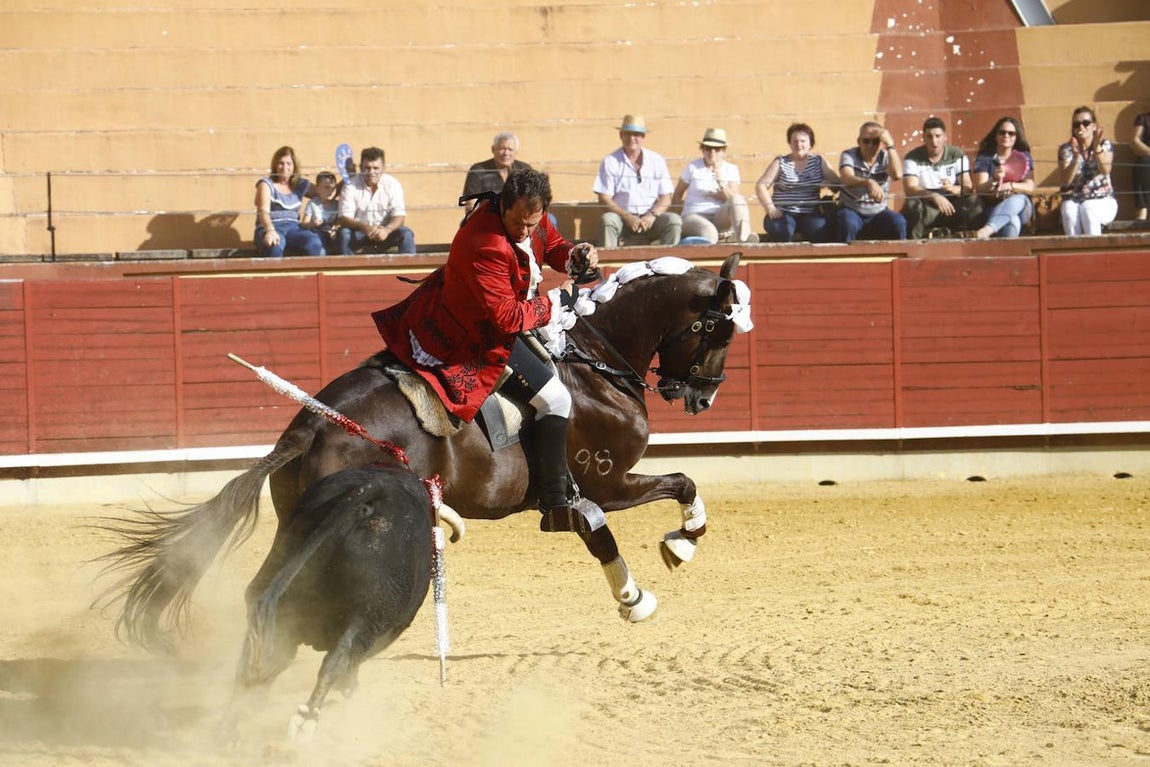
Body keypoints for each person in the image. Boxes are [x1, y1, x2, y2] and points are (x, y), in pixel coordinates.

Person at [372, 168, 599, 530]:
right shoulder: (487, 243)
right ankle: (556, 500)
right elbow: (507, 318)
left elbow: (551, 244)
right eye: (519, 223)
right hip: (475, 332)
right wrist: (557, 302)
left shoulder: (528, 217)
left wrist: (576, 255)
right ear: (503, 205)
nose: (525, 231)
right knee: (556, 399)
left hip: (496, 314)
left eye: (532, 223)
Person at [592, 114, 681, 248]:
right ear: (621, 135)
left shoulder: (656, 160)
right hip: (622, 218)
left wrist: (652, 215)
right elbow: (604, 198)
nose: (632, 139)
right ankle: (608, 263)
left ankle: (668, 265)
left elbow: (666, 197)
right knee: (608, 220)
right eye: (628, 134)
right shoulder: (610, 161)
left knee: (673, 221)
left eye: (637, 135)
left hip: (651, 219)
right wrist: (626, 216)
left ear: (643, 137)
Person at [754, 122, 838, 243]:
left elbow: (837, 183)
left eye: (803, 141)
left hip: (811, 213)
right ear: (790, 143)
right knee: (780, 230)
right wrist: (770, 208)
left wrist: (827, 182)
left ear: (810, 143)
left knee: (823, 230)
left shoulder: (819, 161)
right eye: (795, 141)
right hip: (783, 213)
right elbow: (761, 186)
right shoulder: (781, 161)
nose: (799, 144)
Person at [671, 128, 757, 244]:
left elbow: (734, 199)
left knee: (738, 200)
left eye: (717, 149)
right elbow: (677, 194)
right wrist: (678, 221)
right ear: (702, 149)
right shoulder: (692, 167)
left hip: (719, 217)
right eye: (708, 148)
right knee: (709, 231)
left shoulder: (730, 169)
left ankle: (744, 240)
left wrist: (722, 184)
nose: (712, 152)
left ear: (723, 151)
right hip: (694, 215)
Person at [902, 117, 984, 239]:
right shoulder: (912, 157)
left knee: (975, 201)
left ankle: (972, 243)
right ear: (923, 138)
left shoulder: (958, 155)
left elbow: (968, 187)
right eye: (929, 136)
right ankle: (915, 245)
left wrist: (953, 189)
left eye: (938, 136)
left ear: (944, 136)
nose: (934, 141)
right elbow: (910, 188)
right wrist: (933, 196)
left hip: (953, 206)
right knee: (911, 204)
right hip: (927, 207)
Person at [835, 121, 906, 243]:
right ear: (859, 142)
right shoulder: (849, 155)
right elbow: (846, 177)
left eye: (875, 141)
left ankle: (899, 259)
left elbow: (897, 175)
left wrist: (890, 145)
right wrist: (869, 182)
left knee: (899, 222)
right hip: (853, 209)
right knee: (847, 223)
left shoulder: (885, 156)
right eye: (866, 141)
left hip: (879, 211)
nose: (870, 146)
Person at [337, 146, 416, 254]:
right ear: (360, 167)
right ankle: (347, 269)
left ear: (384, 168)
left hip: (385, 233)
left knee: (406, 234)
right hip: (360, 233)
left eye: (375, 168)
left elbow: (400, 217)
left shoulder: (393, 184)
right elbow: (344, 218)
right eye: (367, 168)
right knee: (344, 234)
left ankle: (409, 270)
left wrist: (387, 230)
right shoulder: (350, 186)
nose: (371, 172)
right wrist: (366, 228)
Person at [253, 146, 325, 258]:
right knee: (274, 247)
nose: (284, 167)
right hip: (271, 227)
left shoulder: (300, 184)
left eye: (289, 163)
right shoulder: (266, 184)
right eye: (281, 163)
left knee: (314, 242)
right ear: (275, 165)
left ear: (294, 166)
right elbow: (263, 211)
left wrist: (347, 179)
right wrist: (270, 230)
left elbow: (326, 192)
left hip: (294, 229)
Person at [972, 117, 1036, 239]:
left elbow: (1030, 186)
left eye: (1011, 133)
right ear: (996, 135)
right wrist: (994, 179)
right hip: (994, 205)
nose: (1006, 136)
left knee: (1020, 198)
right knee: (1013, 221)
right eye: (1002, 132)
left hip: (1022, 207)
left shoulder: (1024, 157)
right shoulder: (985, 157)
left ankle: (987, 230)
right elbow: (980, 188)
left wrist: (1012, 186)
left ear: (1017, 137)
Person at [1057, 106, 1117, 236]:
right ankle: (1074, 253)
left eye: (1086, 123)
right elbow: (1066, 180)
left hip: (1102, 200)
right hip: (1074, 199)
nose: (1081, 128)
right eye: (1077, 124)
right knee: (1068, 209)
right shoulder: (1067, 149)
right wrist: (1077, 156)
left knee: (1088, 207)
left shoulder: (1104, 145)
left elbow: (1106, 169)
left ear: (1094, 126)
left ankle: (1095, 252)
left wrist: (1096, 147)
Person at [461, 131, 534, 215]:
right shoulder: (478, 170)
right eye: (502, 149)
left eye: (510, 149)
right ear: (493, 149)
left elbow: (533, 198)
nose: (506, 153)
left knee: (550, 218)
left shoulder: (524, 170)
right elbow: (471, 204)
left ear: (516, 152)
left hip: (519, 218)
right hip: (487, 217)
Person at [301, 171, 341, 254]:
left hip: (332, 234)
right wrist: (312, 224)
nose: (330, 191)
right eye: (326, 187)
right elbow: (304, 224)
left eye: (333, 188)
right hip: (317, 234)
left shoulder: (337, 205)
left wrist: (335, 229)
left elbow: (340, 222)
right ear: (318, 189)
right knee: (320, 248)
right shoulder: (313, 204)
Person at [1130, 110, 1150, 221]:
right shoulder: (1144, 118)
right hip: (1149, 159)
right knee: (1143, 162)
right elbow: (1135, 141)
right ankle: (1142, 210)